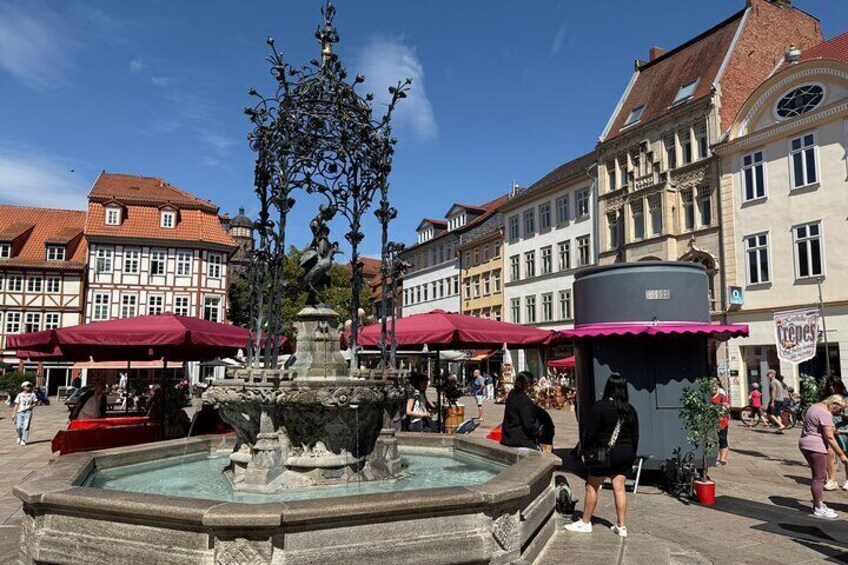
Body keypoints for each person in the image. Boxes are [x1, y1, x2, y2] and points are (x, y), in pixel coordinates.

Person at [566, 374, 639, 537]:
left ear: (608, 387)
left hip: (604, 454)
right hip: (625, 452)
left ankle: (585, 522)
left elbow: (590, 432)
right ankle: (621, 526)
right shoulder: (630, 410)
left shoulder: (600, 407)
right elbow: (635, 436)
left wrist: (584, 451)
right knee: (619, 488)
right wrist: (632, 454)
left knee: (592, 486)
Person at [798, 394, 848, 519]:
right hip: (816, 446)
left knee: (819, 476)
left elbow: (827, 430)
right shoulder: (825, 413)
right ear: (834, 404)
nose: (839, 413)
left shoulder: (815, 407)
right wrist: (841, 455)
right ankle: (819, 508)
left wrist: (841, 432)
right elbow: (829, 436)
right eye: (840, 409)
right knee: (819, 477)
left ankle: (818, 503)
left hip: (805, 443)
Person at [500, 371, 543, 449]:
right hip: (520, 440)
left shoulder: (512, 393)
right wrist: (538, 431)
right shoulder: (525, 401)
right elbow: (528, 424)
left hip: (507, 436)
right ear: (528, 384)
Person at [821, 375, 848, 491]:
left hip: (844, 430)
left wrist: (840, 413)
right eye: (830, 386)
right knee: (829, 453)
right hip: (830, 430)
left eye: (834, 385)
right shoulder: (826, 398)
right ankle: (832, 480)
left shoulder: (846, 398)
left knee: (846, 454)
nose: (832, 388)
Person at [12, 381, 37, 446]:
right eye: (27, 386)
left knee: (26, 426)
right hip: (20, 412)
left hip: (28, 412)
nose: (29, 387)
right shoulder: (20, 395)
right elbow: (16, 404)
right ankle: (19, 436)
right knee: (18, 426)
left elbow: (35, 402)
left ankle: (23, 440)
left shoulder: (32, 394)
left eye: (30, 386)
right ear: (23, 387)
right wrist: (13, 414)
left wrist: (32, 406)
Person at [712, 379, 730, 465]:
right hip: (712, 421)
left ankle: (723, 459)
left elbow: (726, 407)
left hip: (721, 421)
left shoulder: (721, 395)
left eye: (714, 384)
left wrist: (719, 414)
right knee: (714, 440)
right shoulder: (707, 395)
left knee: (722, 439)